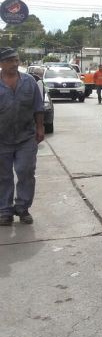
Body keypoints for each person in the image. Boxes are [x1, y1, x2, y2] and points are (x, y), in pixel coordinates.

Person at [0, 47, 44, 226]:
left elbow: (38, 107)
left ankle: (23, 208)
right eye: (10, 61)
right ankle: (4, 210)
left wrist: (40, 128)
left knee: (25, 171)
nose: (15, 64)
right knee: (3, 176)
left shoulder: (29, 82)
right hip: (1, 138)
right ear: (1, 63)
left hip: (26, 136)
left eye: (16, 60)